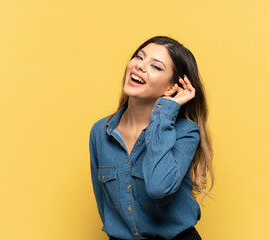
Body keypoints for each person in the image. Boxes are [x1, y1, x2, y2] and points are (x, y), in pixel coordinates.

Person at [89, 36, 213, 240]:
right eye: (139, 57)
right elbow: (104, 206)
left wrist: (166, 112)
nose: (140, 66)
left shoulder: (185, 132)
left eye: (156, 66)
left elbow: (158, 186)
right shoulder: (100, 132)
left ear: (171, 88)